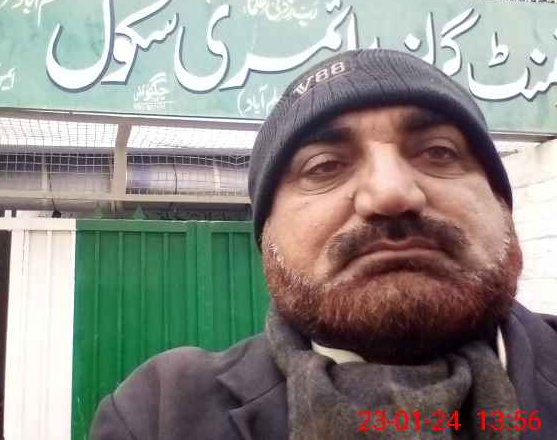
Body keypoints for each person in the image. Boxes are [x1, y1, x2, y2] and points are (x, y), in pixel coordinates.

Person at [90, 49, 557, 440]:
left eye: (439, 152)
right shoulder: (161, 414)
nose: (391, 194)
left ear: (503, 207)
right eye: (324, 166)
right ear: (267, 236)